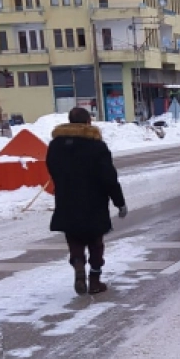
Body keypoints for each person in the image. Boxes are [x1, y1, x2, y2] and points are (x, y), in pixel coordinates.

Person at [46, 107, 128, 295]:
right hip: (94, 203)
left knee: (74, 239)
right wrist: (119, 202)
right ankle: (95, 280)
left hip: (66, 201)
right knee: (95, 243)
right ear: (88, 122)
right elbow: (109, 177)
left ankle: (78, 265)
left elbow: (52, 169)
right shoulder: (96, 146)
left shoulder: (55, 145)